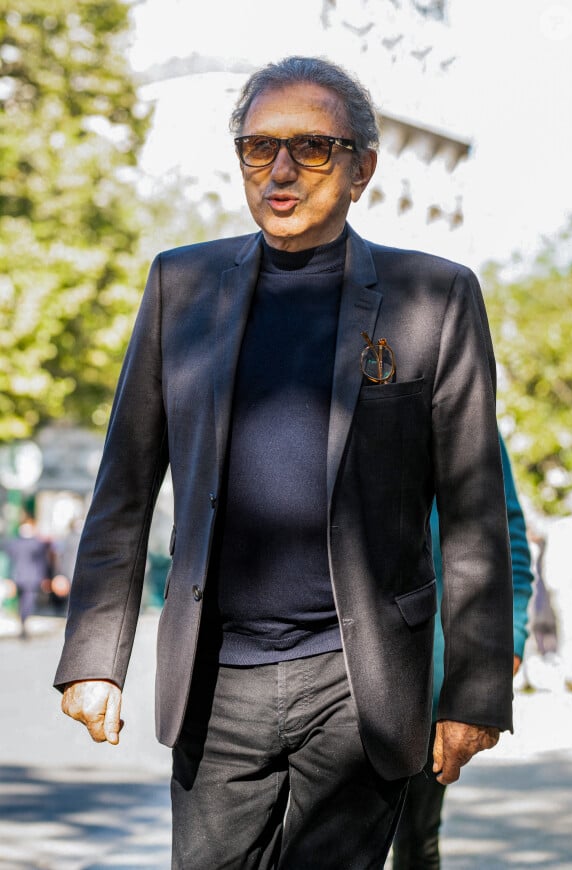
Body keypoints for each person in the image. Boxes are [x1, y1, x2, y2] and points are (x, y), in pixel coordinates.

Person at [54, 56, 514, 870]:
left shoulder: (433, 298)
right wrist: (95, 657)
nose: (279, 171)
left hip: (358, 680)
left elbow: (475, 510)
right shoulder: (180, 286)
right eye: (257, 148)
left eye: (310, 148)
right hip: (215, 681)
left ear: (362, 167)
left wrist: (473, 693)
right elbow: (124, 488)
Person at [391, 433, 534, 869]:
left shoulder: (463, 418)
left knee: (417, 841)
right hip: (330, 668)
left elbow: (508, 541)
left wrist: (510, 636)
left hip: (426, 678)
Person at [543, 488, 572, 691]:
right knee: (569, 630)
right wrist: (553, 585)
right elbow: (551, 560)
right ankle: (571, 675)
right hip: (565, 588)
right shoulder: (561, 528)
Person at [4, 512, 54, 638]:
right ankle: (23, 623)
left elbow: (10, 561)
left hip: (19, 576)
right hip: (31, 577)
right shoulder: (37, 543)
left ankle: (22, 622)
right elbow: (43, 562)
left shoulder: (15, 542)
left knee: (24, 601)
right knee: (27, 601)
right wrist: (46, 577)